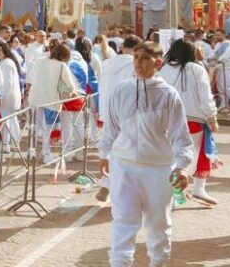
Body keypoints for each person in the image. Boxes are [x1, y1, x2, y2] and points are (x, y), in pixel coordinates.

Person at [98, 42, 195, 267]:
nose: (139, 63)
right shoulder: (121, 90)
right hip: (124, 165)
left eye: (145, 58)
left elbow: (181, 135)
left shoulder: (168, 95)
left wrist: (182, 166)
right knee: (123, 221)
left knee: (158, 223)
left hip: (159, 168)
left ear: (158, 63)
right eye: (136, 57)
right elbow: (111, 128)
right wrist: (104, 153)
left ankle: (158, 262)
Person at [159, 40, 219, 205]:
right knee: (196, 155)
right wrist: (212, 118)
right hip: (194, 121)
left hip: (167, 120)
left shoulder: (163, 69)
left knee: (171, 156)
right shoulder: (198, 69)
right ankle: (197, 190)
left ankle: (173, 195)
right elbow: (206, 97)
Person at [94, 35, 141, 203]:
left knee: (110, 149)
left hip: (106, 111)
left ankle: (107, 183)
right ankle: (115, 187)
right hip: (126, 113)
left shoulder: (107, 64)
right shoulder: (136, 65)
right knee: (127, 152)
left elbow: (100, 86)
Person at [27, 43, 80, 164]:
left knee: (34, 126)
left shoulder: (39, 61)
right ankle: (46, 154)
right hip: (50, 100)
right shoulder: (61, 66)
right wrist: (73, 92)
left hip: (35, 97)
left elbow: (31, 77)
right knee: (47, 129)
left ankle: (31, 152)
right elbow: (71, 85)